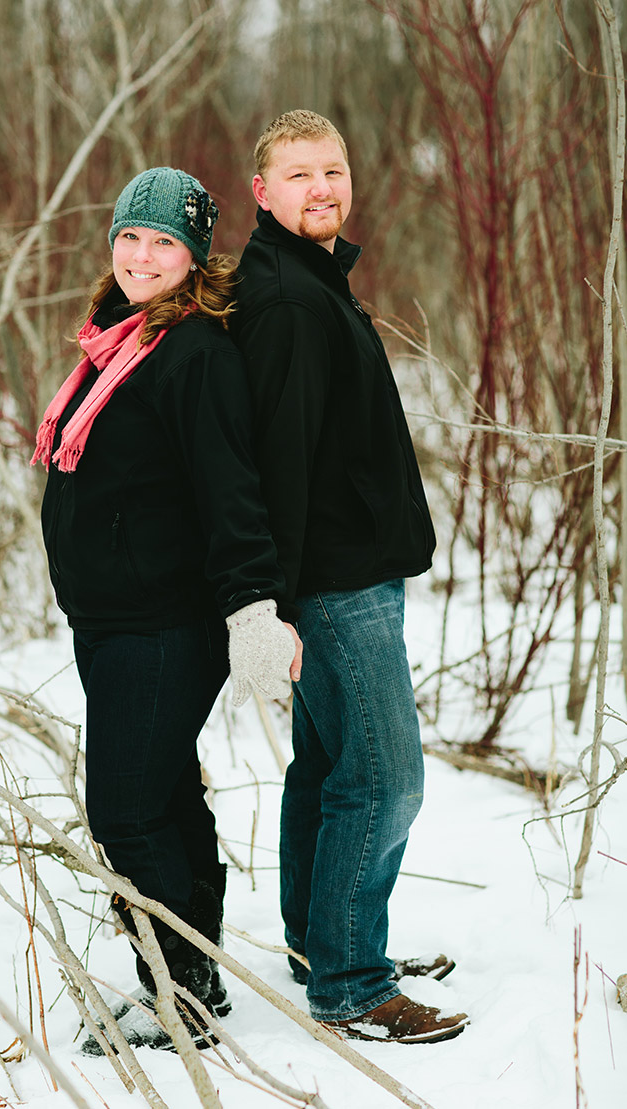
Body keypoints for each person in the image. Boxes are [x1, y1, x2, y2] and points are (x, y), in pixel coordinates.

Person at [35, 166, 299, 1052]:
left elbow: (231, 493)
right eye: (131, 237)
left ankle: (177, 992)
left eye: (165, 243)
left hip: (164, 623)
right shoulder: (117, 338)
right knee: (166, 794)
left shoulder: (193, 352)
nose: (143, 255)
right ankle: (191, 980)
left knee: (125, 807)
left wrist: (253, 610)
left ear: (194, 258)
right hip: (112, 621)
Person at [230, 109, 469, 1044]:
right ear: (262, 191)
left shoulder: (306, 279)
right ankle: (352, 984)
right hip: (333, 584)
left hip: (344, 570)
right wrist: (271, 603)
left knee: (328, 769)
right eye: (298, 175)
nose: (321, 187)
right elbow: (276, 463)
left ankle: (320, 944)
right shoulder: (290, 302)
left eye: (332, 168)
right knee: (386, 779)